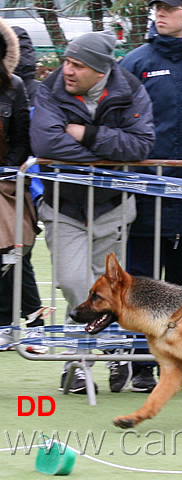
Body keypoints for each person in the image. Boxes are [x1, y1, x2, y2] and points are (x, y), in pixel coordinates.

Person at [30, 32, 155, 394]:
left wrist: (85, 134)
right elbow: (46, 142)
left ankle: (82, 360)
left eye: (77, 65)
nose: (67, 70)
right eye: (67, 61)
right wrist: (108, 155)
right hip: (64, 208)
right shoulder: (50, 89)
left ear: (100, 72)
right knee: (74, 283)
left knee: (108, 291)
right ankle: (106, 346)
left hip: (113, 208)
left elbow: (142, 145)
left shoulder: (130, 90)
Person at [119, 0, 182, 394]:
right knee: (141, 285)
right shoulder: (134, 62)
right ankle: (140, 365)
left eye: (169, 7)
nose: (160, 14)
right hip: (146, 197)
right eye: (157, 7)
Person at [0, 19, 46, 351]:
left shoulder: (15, 87)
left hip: (6, 185)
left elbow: (22, 140)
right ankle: (31, 319)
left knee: (14, 253)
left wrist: (6, 172)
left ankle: (29, 322)